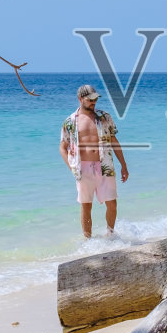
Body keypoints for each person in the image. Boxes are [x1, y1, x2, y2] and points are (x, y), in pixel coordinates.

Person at [60, 82, 128, 237]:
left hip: (105, 165)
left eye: (95, 99)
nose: (93, 102)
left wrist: (123, 165)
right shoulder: (70, 122)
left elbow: (114, 141)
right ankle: (88, 242)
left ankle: (110, 236)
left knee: (112, 203)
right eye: (90, 99)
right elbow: (62, 147)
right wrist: (71, 167)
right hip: (83, 168)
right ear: (80, 99)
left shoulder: (104, 117)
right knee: (86, 205)